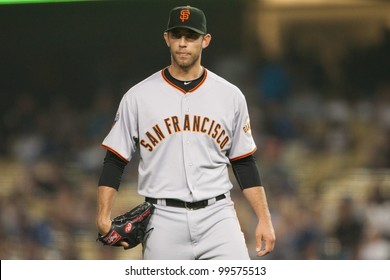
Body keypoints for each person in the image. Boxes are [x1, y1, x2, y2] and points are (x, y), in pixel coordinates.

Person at [96, 5, 275, 260]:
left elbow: (244, 162)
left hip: (218, 216)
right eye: (177, 35)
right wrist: (103, 215)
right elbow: (115, 160)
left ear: (205, 41)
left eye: (190, 36)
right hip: (162, 218)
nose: (183, 43)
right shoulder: (137, 97)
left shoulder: (230, 96)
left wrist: (264, 219)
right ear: (167, 38)